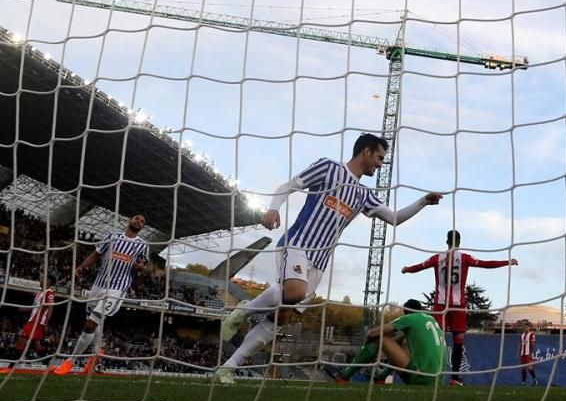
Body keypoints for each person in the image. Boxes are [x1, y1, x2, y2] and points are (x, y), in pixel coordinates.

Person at [216, 134, 443, 384]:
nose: (380, 164)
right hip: (298, 244)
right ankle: (245, 310)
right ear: (365, 151)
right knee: (294, 292)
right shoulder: (328, 168)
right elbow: (289, 185)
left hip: (320, 263)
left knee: (282, 317)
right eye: (379, 157)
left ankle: (228, 367)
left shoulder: (364, 194)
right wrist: (273, 207)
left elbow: (394, 218)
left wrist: (423, 201)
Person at [401, 230, 517, 386]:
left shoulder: (437, 258)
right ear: (460, 242)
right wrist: (507, 262)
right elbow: (485, 264)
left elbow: (419, 266)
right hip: (458, 306)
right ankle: (455, 378)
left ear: (446, 241)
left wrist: (407, 269)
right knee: (458, 342)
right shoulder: (464, 258)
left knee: (435, 339)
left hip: (440, 305)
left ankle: (433, 373)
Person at [54, 214, 150, 375]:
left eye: (142, 222)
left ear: (142, 227)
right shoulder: (112, 236)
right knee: (94, 322)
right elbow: (95, 255)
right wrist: (80, 267)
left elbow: (143, 266)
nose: (139, 222)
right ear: (129, 220)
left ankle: (70, 361)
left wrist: (141, 268)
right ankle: (96, 355)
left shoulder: (143, 245)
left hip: (117, 288)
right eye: (137, 219)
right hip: (98, 285)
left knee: (90, 323)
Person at [332, 299, 444, 385]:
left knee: (379, 338)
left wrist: (367, 347)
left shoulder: (411, 318)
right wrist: (382, 349)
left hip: (420, 377)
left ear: (406, 312)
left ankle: (344, 376)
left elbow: (372, 333)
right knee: (403, 342)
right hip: (437, 380)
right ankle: (380, 378)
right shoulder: (430, 319)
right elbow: (396, 342)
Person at [14, 275, 56, 360]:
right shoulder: (39, 293)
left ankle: (11, 365)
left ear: (48, 281)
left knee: (22, 340)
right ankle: (48, 363)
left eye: (42, 279)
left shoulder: (49, 292)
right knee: (36, 344)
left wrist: (45, 323)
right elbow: (34, 308)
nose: (40, 280)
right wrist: (22, 309)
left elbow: (51, 308)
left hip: (37, 321)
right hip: (33, 320)